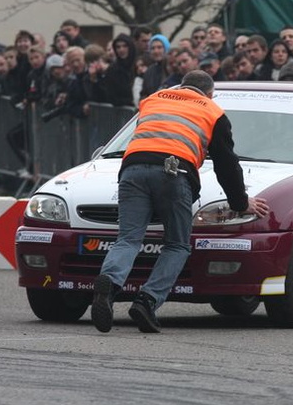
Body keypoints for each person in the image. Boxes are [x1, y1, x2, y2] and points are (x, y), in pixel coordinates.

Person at [91, 70, 269, 333]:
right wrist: (241, 202)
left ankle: (108, 282)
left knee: (128, 239)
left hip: (132, 169)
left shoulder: (154, 99)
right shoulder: (213, 110)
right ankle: (147, 301)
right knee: (176, 245)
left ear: (182, 86)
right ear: (210, 93)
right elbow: (226, 164)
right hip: (174, 172)